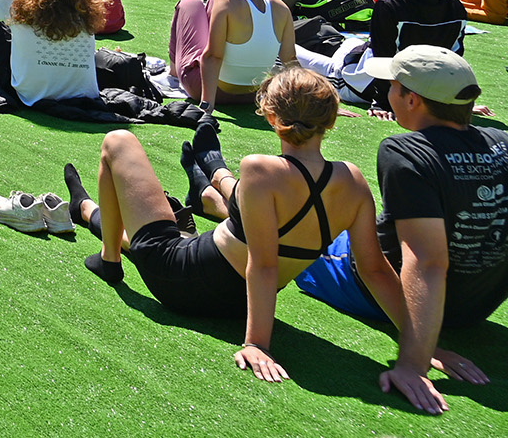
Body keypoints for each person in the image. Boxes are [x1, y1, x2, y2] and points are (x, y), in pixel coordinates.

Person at [65, 71, 415, 393]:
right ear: (331, 120)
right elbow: (373, 269)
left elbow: (263, 265)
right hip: (237, 302)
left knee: (118, 140)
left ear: (273, 118)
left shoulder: (260, 169)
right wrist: (418, 344)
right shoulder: (353, 182)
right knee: (159, 238)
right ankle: (89, 210)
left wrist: (256, 344)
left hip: (178, 276)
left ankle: (108, 255)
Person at [292, 46, 505, 412]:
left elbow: (426, 262)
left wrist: (414, 362)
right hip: (474, 308)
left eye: (391, 84)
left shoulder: (407, 151)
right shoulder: (502, 144)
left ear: (411, 99)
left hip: (376, 286)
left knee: (284, 225)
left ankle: (215, 187)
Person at [167, 0, 293, 111]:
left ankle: (173, 74)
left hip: (205, 88)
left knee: (190, 2)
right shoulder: (278, 4)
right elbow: (290, 59)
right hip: (253, 94)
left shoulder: (221, 1)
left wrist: (207, 105)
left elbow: (213, 56)